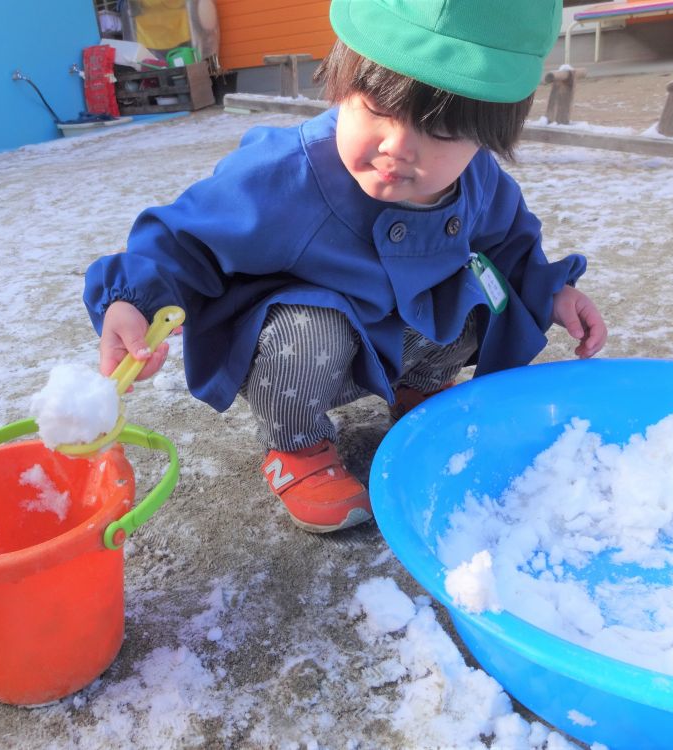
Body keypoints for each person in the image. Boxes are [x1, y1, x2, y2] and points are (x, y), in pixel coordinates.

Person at [84, 0, 608, 534]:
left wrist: (553, 292)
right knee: (309, 330)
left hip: (400, 339)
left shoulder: (478, 183)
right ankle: (297, 445)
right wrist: (132, 298)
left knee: (480, 287)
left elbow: (511, 244)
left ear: (487, 136)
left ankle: (421, 389)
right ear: (341, 80)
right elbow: (184, 238)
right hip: (299, 363)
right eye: (378, 106)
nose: (398, 147)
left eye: (443, 130)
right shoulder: (282, 178)